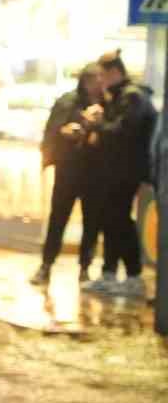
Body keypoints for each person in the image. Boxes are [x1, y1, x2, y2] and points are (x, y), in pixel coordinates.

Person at [82, 52, 157, 298]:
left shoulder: (131, 96)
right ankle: (110, 273)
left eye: (102, 76)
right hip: (115, 171)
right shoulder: (119, 97)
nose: (100, 81)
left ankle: (133, 276)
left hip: (125, 172)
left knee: (119, 221)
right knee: (111, 220)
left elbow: (123, 132)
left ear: (114, 73)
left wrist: (98, 124)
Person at [31, 65, 105, 287]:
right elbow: (53, 129)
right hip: (68, 170)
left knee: (91, 221)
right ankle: (46, 264)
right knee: (58, 218)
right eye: (93, 80)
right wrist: (66, 131)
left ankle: (85, 267)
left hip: (94, 172)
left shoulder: (106, 104)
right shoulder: (68, 101)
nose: (96, 85)